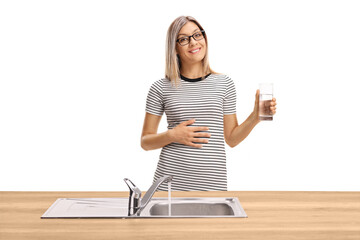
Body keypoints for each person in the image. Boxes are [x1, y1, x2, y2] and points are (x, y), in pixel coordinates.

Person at [141, 16, 277, 191]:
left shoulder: (224, 84)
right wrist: (172, 135)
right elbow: (145, 142)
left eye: (197, 35)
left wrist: (255, 117)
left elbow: (232, 139)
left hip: (212, 186)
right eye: (183, 39)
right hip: (169, 186)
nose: (193, 42)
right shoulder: (160, 87)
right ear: (174, 47)